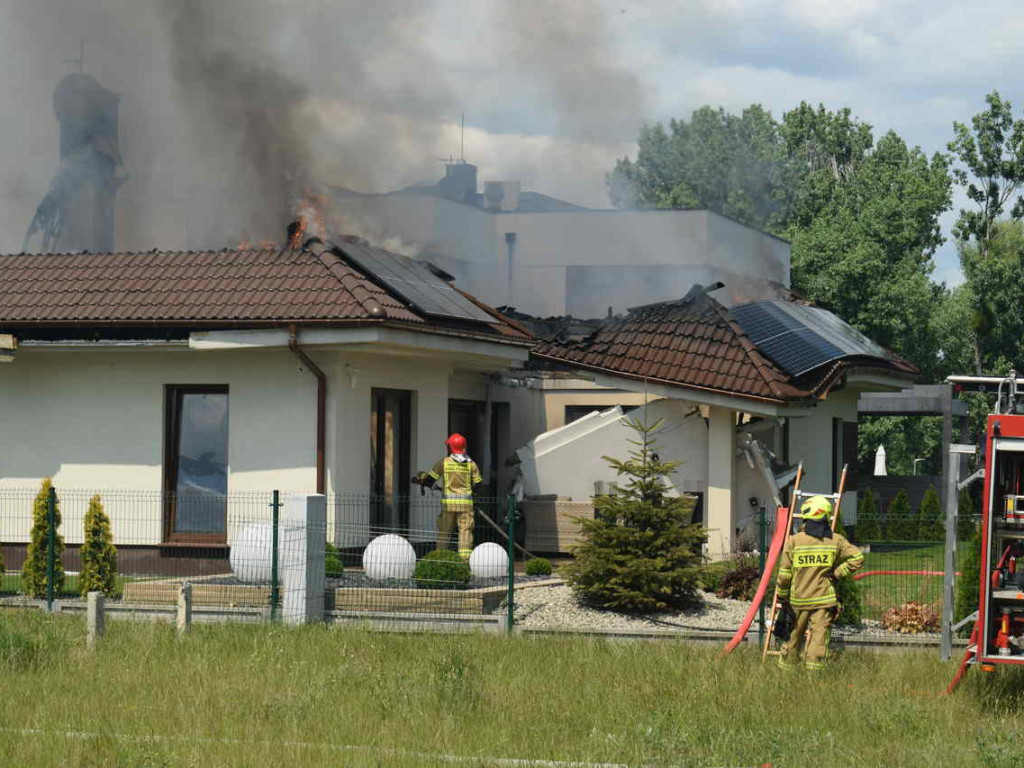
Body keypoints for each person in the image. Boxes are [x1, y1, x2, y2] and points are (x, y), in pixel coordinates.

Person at [776, 495, 864, 671]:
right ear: (826, 516)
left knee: (793, 638)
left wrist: (782, 595)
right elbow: (858, 557)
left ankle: (786, 675)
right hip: (824, 600)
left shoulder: (794, 541)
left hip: (799, 600)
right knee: (818, 640)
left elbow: (784, 574)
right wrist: (837, 573)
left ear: (806, 516)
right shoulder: (836, 540)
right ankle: (814, 677)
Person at [415, 433, 482, 559]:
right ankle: (464, 560)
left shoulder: (443, 463)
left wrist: (422, 476)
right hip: (466, 505)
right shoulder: (471, 464)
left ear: (450, 447)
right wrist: (473, 494)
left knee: (444, 532)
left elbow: (430, 480)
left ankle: (440, 558)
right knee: (465, 532)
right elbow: (479, 484)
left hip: (449, 505)